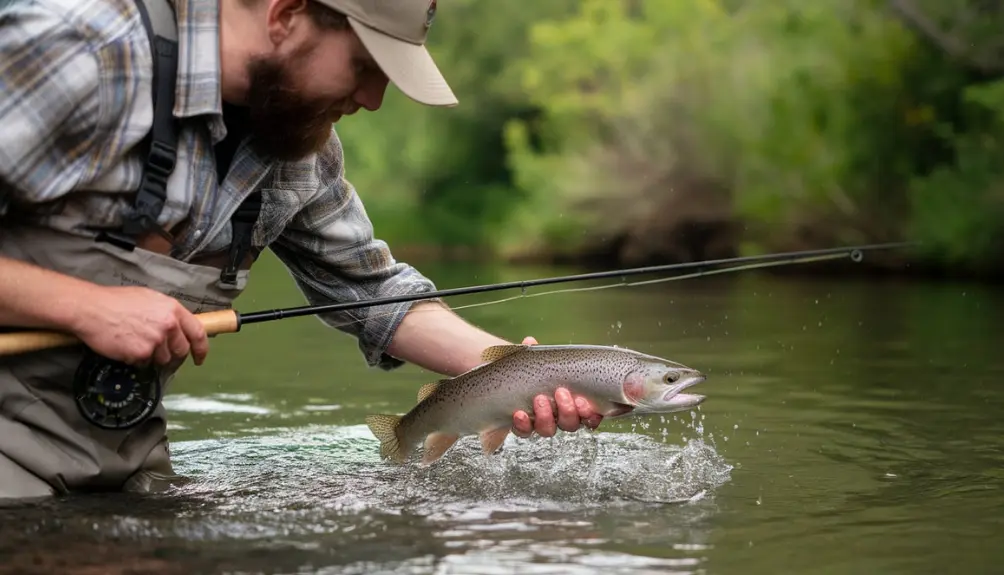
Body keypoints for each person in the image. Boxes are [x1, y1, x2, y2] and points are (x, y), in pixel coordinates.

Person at [0, 0, 603, 500]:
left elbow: (373, 293)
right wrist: (84, 307)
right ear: (286, 15)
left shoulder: (299, 144)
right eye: (365, 65)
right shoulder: (83, 51)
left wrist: (531, 374)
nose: (373, 99)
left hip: (117, 459)